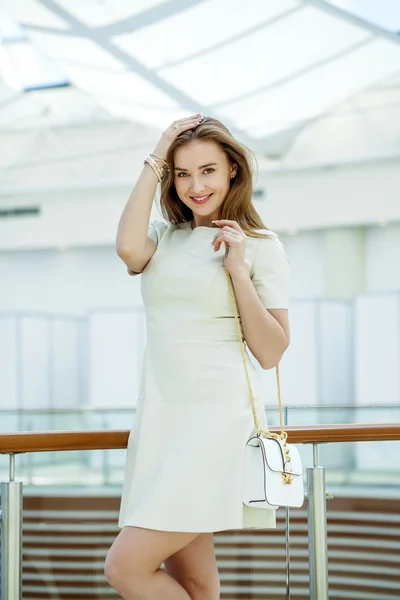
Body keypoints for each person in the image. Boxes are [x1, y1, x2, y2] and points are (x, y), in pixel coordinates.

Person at [104, 114, 291, 600]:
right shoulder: (164, 238)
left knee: (125, 568)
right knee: (196, 582)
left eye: (207, 170)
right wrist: (159, 150)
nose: (195, 185)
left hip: (216, 425)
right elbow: (127, 247)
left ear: (233, 169)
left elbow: (270, 352)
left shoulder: (261, 247)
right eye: (183, 174)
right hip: (163, 424)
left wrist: (237, 270)